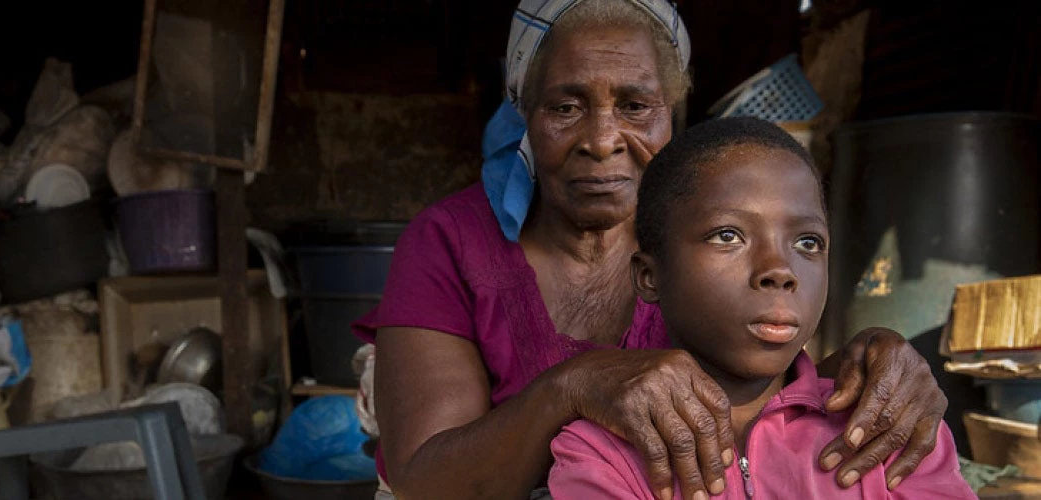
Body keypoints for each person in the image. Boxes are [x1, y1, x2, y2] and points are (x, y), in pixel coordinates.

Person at [353, 1, 948, 499]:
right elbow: (423, 480)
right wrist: (576, 385)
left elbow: (772, 407)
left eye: (635, 106)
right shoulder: (452, 242)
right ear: (524, 113)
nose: (603, 140)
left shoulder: (710, 237)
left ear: (671, 114)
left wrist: (872, 366)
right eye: (565, 106)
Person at [547, 117, 974, 499]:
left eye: (808, 243)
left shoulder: (885, 425)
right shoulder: (603, 453)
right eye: (728, 236)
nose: (779, 270)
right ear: (649, 276)